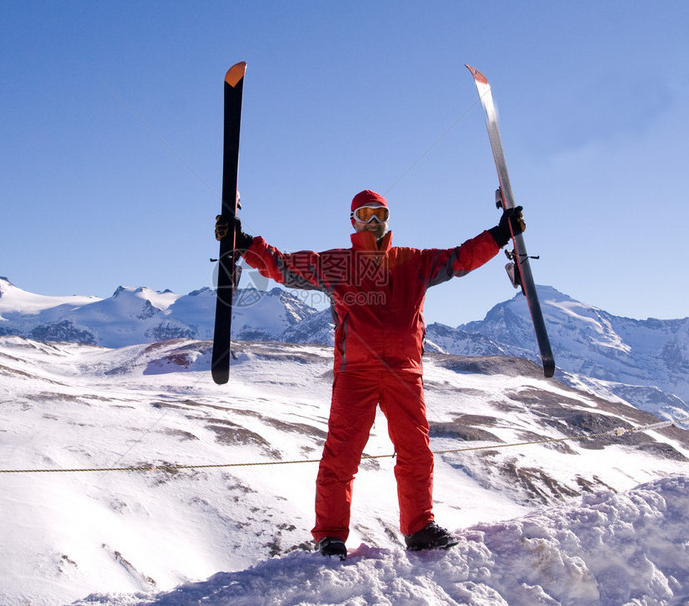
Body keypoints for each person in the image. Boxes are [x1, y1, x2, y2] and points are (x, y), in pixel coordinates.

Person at [215, 189, 524, 558]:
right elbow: (282, 266)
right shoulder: (338, 264)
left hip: (404, 373)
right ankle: (330, 535)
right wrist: (244, 241)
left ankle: (419, 527)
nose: (372, 221)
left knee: (416, 452)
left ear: (388, 218)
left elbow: (462, 258)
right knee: (341, 455)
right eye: (364, 214)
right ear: (353, 221)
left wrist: (501, 233)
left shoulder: (415, 261)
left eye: (378, 213)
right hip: (355, 374)